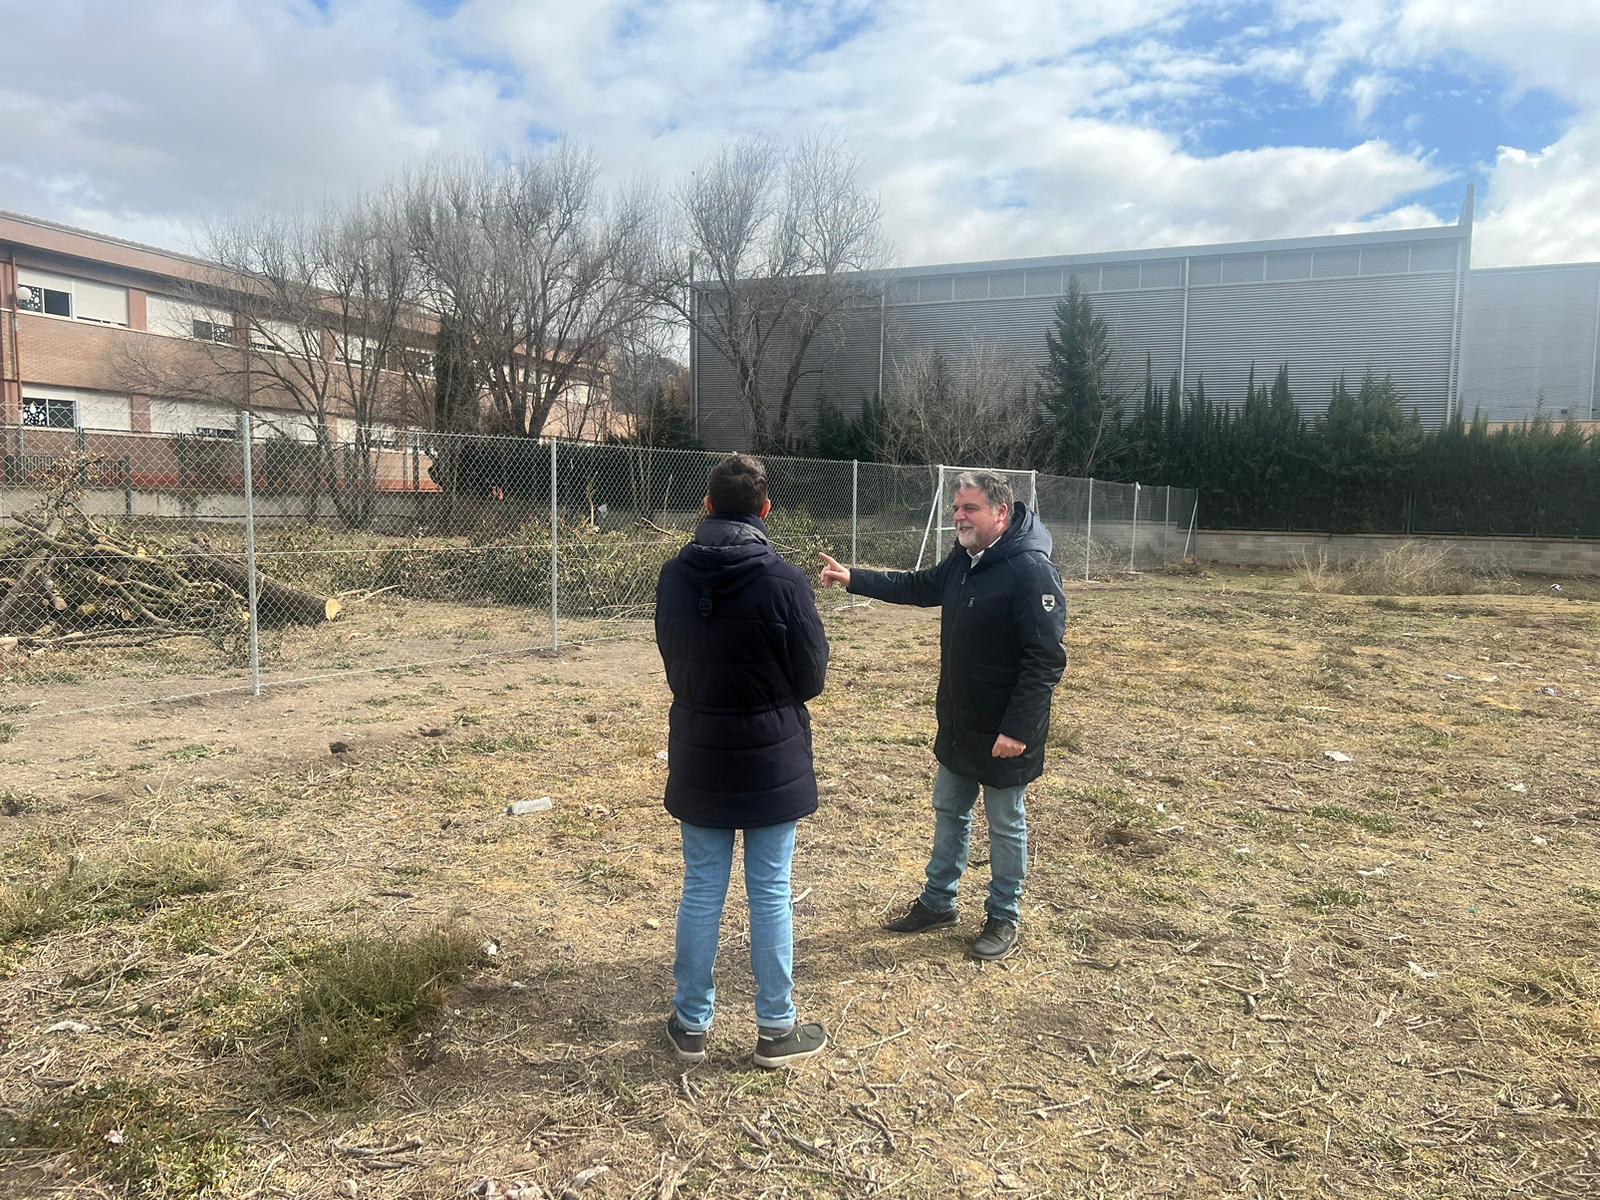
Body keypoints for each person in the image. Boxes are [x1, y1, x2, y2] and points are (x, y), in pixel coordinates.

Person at [819, 471, 1066, 961]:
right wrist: (855, 578)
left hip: (1004, 731)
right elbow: (919, 586)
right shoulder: (966, 559)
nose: (958, 517)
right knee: (949, 809)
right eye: (957, 508)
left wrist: (1017, 729)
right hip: (959, 720)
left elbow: (1046, 659)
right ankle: (938, 902)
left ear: (1001, 512)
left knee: (1005, 822)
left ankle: (1003, 914)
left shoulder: (1030, 569)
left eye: (969, 509)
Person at [655, 453, 831, 1067]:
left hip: (700, 748)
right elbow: (811, 677)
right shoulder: (785, 581)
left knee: (702, 887)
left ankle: (691, 1024)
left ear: (706, 507)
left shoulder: (672, 577)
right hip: (770, 756)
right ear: (766, 510)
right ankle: (776, 1028)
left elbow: (674, 661)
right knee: (771, 891)